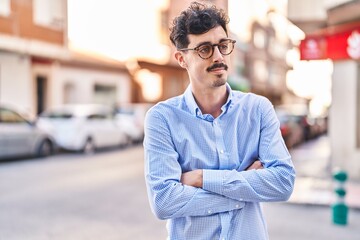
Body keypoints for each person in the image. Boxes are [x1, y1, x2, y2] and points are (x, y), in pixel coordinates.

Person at [143, 2, 295, 239]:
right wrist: (246, 187)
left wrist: (202, 178)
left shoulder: (258, 109)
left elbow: (283, 183)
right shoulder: (162, 119)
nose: (218, 56)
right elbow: (164, 202)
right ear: (182, 59)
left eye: (223, 46)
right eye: (204, 49)